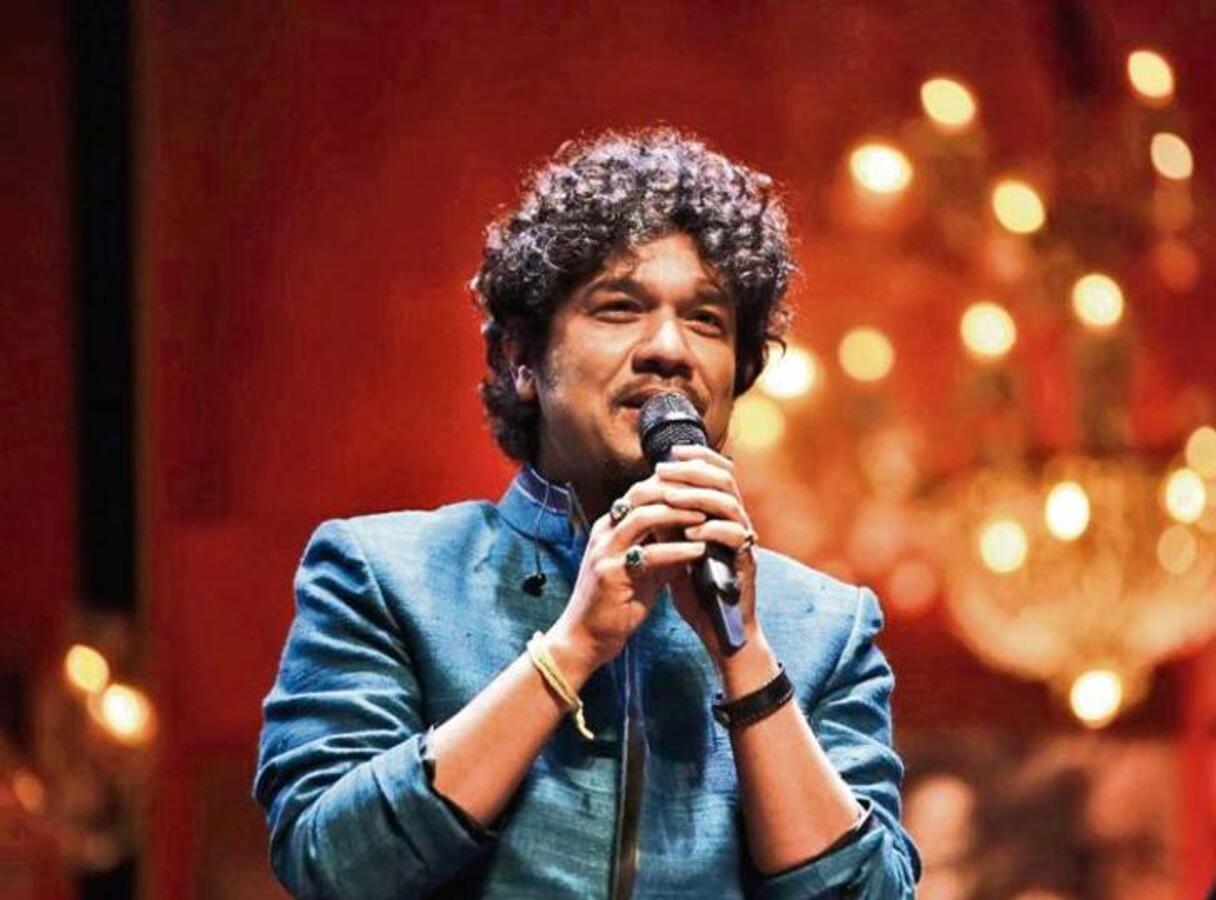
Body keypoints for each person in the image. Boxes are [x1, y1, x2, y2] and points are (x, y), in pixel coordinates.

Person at [253, 128, 921, 898]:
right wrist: (572, 648)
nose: (669, 348)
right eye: (619, 308)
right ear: (522, 360)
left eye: (706, 319)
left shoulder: (826, 627)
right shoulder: (385, 576)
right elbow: (332, 865)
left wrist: (743, 656)